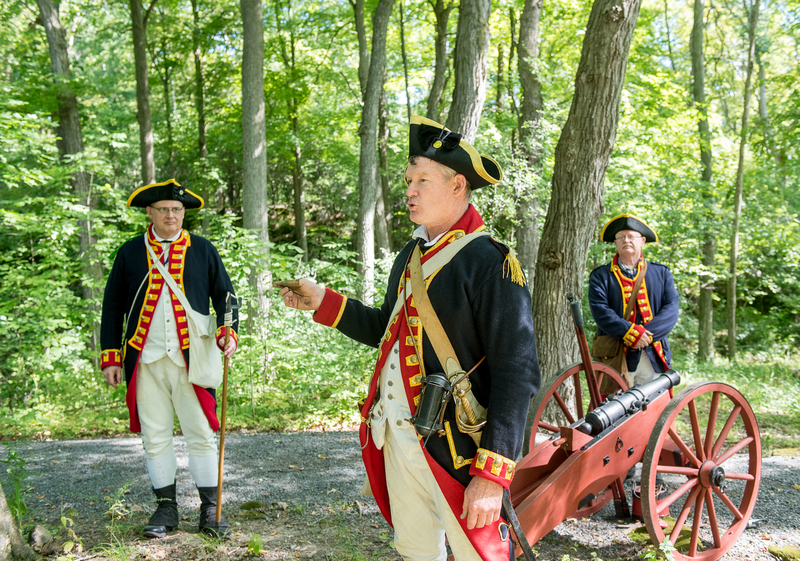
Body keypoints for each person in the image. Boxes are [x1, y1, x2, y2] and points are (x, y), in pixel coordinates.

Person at [279, 116, 540, 561]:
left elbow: (518, 372)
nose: (410, 190)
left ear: (458, 185)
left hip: (456, 449)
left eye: (422, 180)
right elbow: (387, 328)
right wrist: (323, 302)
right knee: (415, 551)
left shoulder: (489, 261)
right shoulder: (413, 253)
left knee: (479, 554)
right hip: (399, 436)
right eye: (408, 180)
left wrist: (491, 474)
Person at [100, 179, 239, 538]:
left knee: (201, 434)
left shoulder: (203, 250)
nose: (172, 216)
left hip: (190, 360)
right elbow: (112, 306)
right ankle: (166, 510)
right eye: (164, 210)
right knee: (155, 435)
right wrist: (112, 357)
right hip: (144, 362)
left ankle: (210, 509)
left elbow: (226, 297)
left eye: (177, 210)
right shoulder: (130, 253)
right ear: (150, 212)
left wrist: (228, 333)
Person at [588, 214, 679, 388]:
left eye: (631, 236)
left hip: (653, 353)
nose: (626, 240)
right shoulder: (600, 276)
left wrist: (644, 336)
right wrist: (630, 333)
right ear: (615, 243)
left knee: (654, 409)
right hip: (617, 355)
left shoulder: (661, 273)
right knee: (616, 410)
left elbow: (671, 308)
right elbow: (600, 311)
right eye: (621, 237)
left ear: (642, 241)